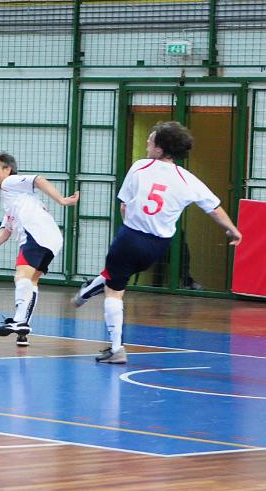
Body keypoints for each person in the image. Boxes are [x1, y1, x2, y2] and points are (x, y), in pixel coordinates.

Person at [72, 121, 242, 364]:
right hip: (158, 246)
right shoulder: (188, 179)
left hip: (131, 237)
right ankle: (86, 292)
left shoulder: (140, 167)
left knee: (115, 291)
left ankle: (116, 348)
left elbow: (124, 205)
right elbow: (214, 208)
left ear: (159, 149)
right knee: (116, 274)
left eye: (150, 141)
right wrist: (233, 230)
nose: (147, 143)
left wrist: (128, 228)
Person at [0, 152, 79, 346]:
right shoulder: (14, 201)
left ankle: (19, 321)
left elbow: (38, 179)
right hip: (51, 239)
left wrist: (62, 200)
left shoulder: (10, 182)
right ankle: (23, 328)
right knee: (31, 281)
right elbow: (4, 234)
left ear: (7, 170)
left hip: (36, 234)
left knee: (21, 275)